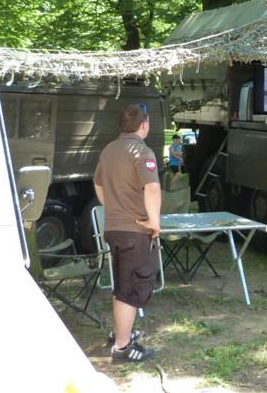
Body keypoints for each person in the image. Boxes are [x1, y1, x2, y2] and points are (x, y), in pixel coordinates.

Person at [93, 103, 161, 363]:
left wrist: (112, 207)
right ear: (144, 124)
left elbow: (98, 183)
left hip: (114, 227)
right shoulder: (142, 151)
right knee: (131, 288)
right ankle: (122, 348)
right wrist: (154, 221)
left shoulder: (109, 149)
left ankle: (121, 334)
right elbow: (152, 188)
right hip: (136, 229)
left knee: (122, 284)